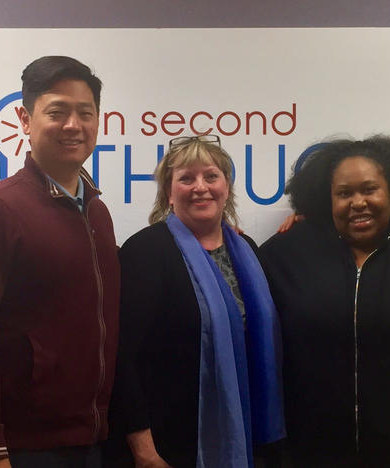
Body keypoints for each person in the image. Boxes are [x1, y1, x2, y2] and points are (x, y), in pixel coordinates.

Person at [0, 56, 120, 468]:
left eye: (85, 113)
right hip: (12, 450)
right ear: (25, 118)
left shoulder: (97, 213)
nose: (73, 125)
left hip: (87, 444)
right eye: (57, 111)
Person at [259, 136, 390, 467]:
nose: (358, 202)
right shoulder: (286, 254)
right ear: (325, 200)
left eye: (370, 189)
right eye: (344, 193)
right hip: (312, 451)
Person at [103, 135, 285, 468]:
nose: (200, 186)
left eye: (211, 176)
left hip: (245, 439)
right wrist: (144, 451)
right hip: (167, 447)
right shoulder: (146, 252)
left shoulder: (249, 252)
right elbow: (122, 357)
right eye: (186, 178)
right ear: (169, 194)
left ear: (225, 187)